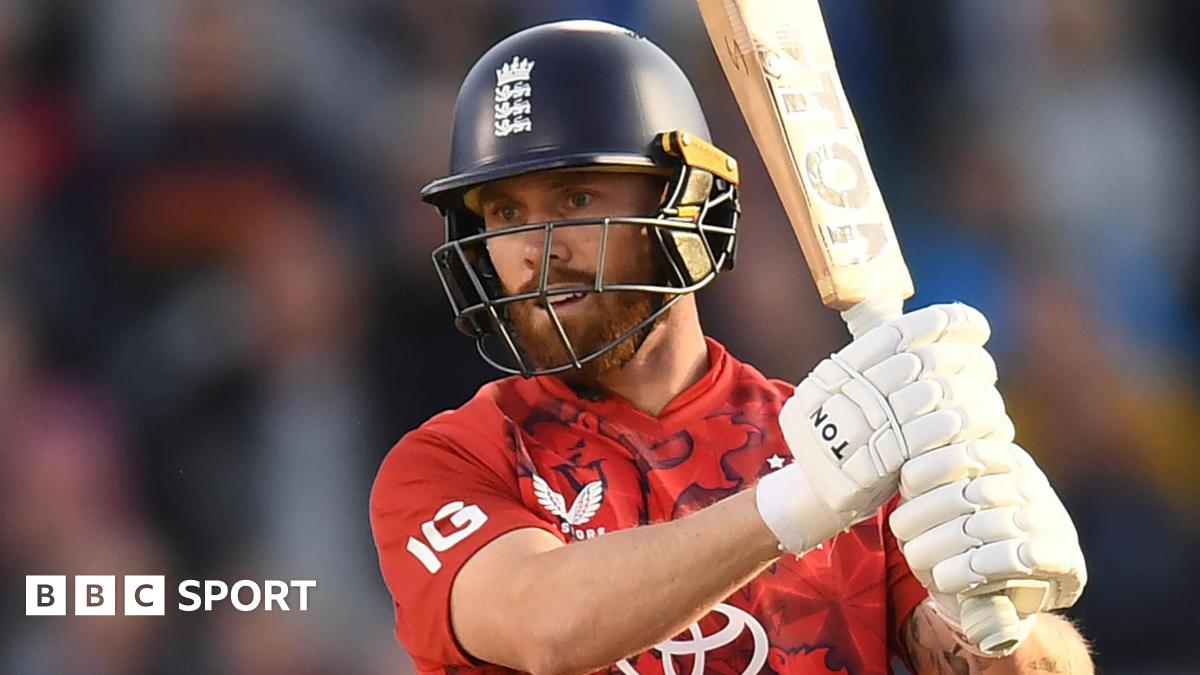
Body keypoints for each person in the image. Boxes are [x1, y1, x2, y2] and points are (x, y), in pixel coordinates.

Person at [370, 20, 1091, 675]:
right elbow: (546, 625)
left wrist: (1003, 613)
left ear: (682, 205)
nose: (534, 248)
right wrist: (799, 501)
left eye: (577, 198)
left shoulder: (847, 443)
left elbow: (989, 663)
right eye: (505, 213)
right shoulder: (448, 464)